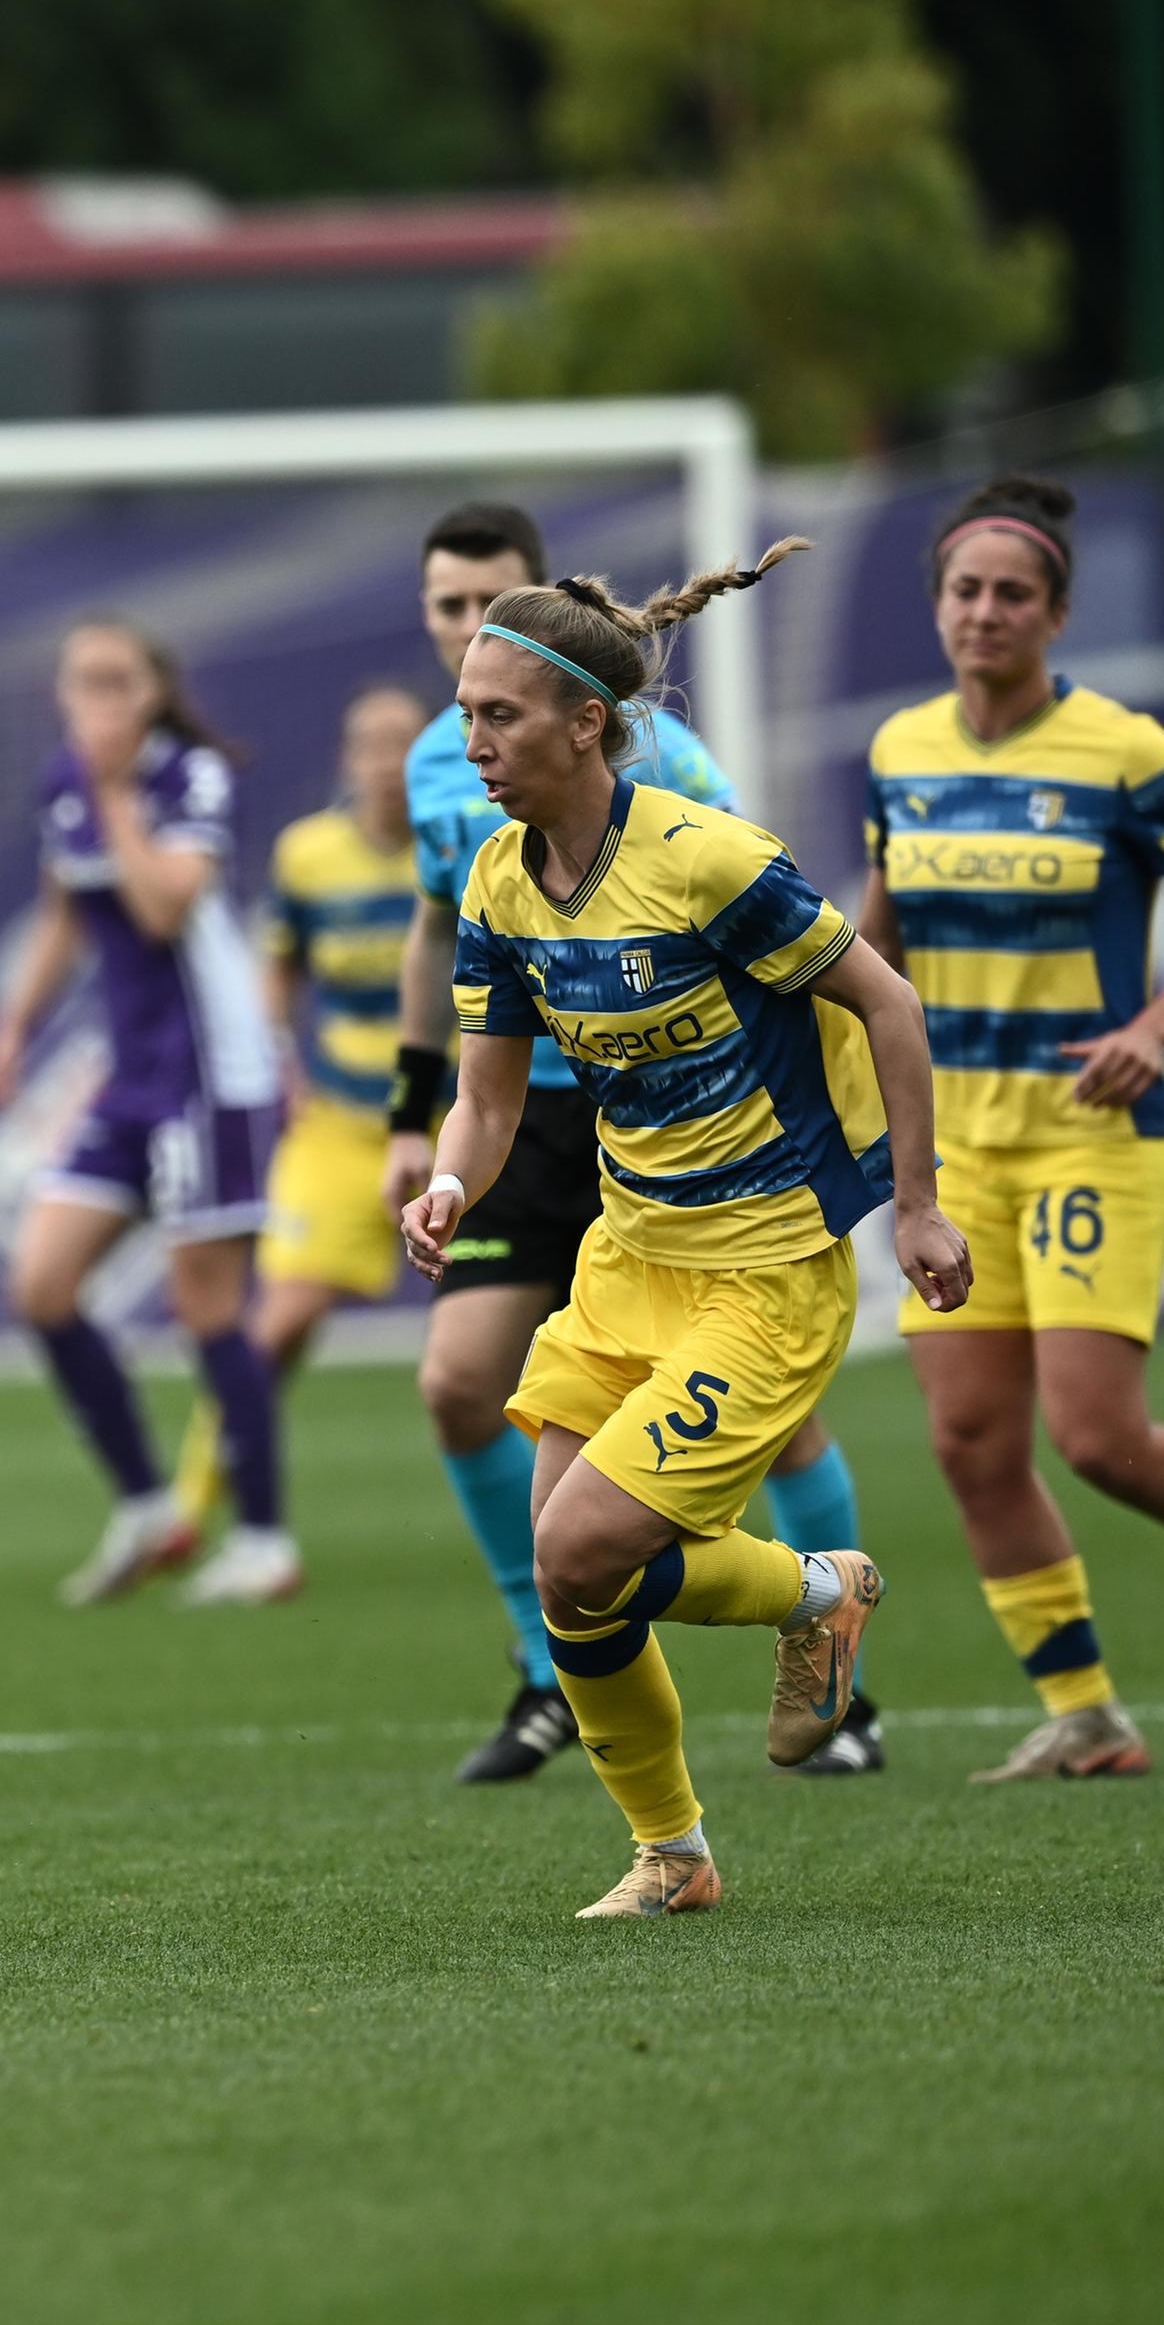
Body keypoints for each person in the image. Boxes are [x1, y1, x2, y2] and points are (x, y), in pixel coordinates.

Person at [403, 541, 974, 1920]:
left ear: (587, 724)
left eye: (500, 715)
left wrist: (916, 1200)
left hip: (766, 1267)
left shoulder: (711, 860)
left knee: (585, 1549)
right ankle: (675, 1852)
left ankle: (818, 1589)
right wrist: (448, 1181)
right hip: (629, 1257)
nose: (470, 739)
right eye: (469, 711)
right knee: (577, 1586)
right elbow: (485, 1097)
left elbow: (888, 1005)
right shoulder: (497, 882)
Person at [858, 475, 1164, 1778]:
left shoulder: (1126, 751)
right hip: (952, 1145)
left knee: (1097, 1436)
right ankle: (1085, 1710)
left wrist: (1158, 1024)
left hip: (1087, 1129)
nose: (984, 611)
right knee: (969, 1439)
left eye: (1013, 592)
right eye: (964, 590)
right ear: (938, 606)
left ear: (1058, 613)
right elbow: (879, 934)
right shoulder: (901, 750)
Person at [0, 617, 299, 1609]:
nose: (98, 702)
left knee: (210, 1308)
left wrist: (116, 791)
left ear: (153, 694)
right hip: (132, 1078)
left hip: (213, 1074)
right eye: (82, 683)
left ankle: (262, 1538)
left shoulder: (187, 779)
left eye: (117, 683)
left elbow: (163, 909)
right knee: (41, 1285)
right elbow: (68, 908)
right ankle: (149, 1504)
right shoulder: (60, 781)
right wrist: (15, 1025)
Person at [169, 680, 422, 1528]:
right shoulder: (309, 855)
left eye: (404, 743)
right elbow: (278, 963)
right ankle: (193, 1506)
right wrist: (282, 1058)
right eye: (371, 744)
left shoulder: (469, 844)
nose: (388, 764)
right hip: (343, 1123)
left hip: (461, 1127)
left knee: (516, 1342)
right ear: (349, 760)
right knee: (279, 1323)